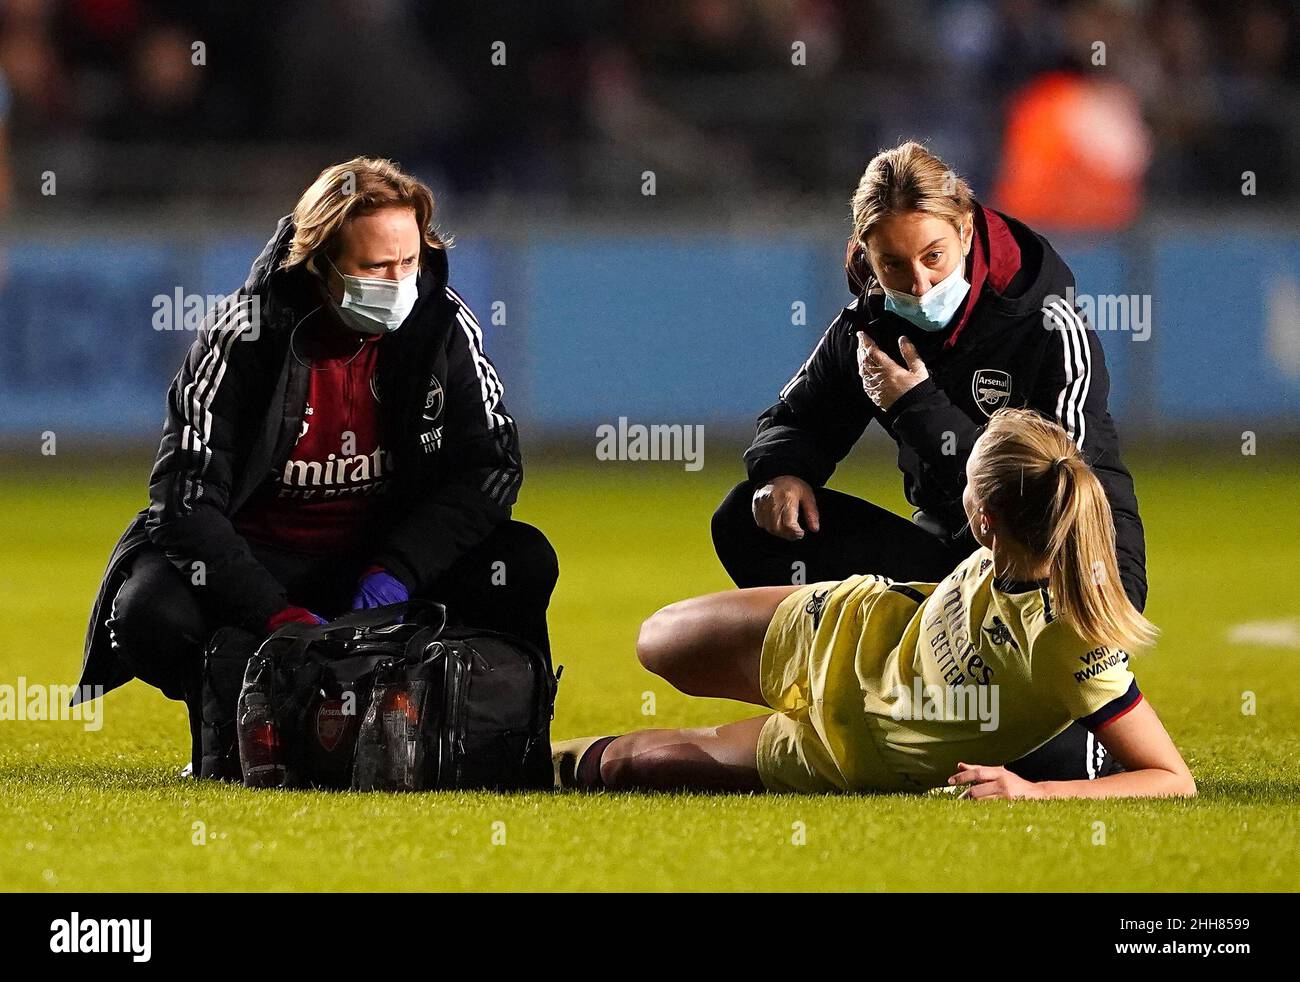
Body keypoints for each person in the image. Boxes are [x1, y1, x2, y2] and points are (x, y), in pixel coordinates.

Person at [73, 157, 558, 771]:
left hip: (385, 566)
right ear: (320, 263)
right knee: (148, 611)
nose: (398, 281)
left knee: (521, 562)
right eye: (375, 267)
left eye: (408, 262)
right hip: (261, 566)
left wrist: (396, 573)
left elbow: (492, 470)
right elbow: (183, 501)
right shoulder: (243, 337)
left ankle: (494, 735)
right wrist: (275, 614)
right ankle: (235, 724)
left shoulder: (444, 329)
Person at [710, 140, 1147, 781]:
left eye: (934, 257)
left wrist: (918, 406)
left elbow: (1049, 495)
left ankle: (1069, 742)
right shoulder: (873, 320)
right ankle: (879, 693)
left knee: (1026, 631)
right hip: (953, 557)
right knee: (745, 521)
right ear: (867, 256)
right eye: (893, 264)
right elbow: (796, 418)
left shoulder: (1047, 322)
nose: (919, 283)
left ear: (965, 230)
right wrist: (784, 470)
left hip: (1064, 564)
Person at [555, 409, 1193, 800]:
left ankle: (510, 760)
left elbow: (1171, 777)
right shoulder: (1005, 545)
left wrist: (1033, 792)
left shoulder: (1073, 640)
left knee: (631, 764)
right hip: (845, 625)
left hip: (858, 746)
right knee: (656, 639)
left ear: (984, 517)